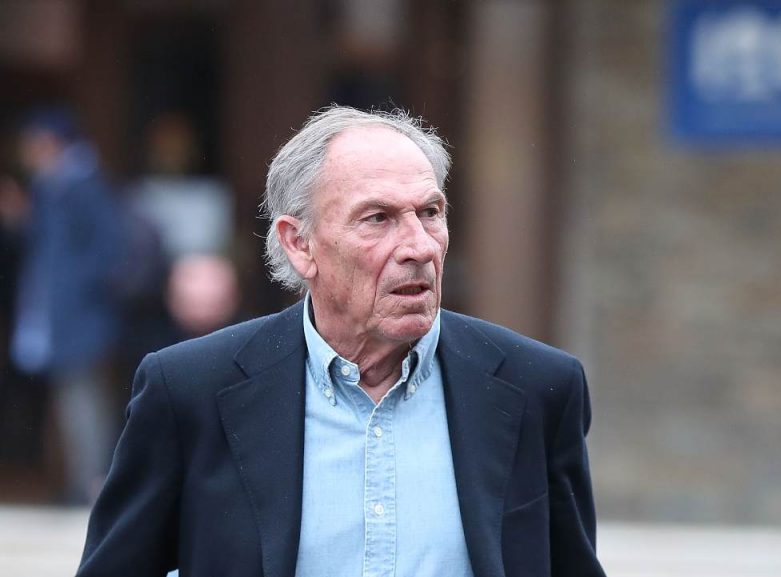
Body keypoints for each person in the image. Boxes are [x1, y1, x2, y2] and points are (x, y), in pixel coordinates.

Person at [77, 105, 606, 577]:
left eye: (430, 213)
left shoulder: (538, 388)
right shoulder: (189, 390)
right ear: (299, 244)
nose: (420, 247)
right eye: (378, 219)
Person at [2, 108, 122, 504]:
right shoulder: (53, 186)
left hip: (80, 315)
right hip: (62, 314)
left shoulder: (83, 186)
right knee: (70, 401)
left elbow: (108, 251)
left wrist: (77, 289)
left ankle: (92, 485)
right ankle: (81, 481)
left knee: (83, 400)